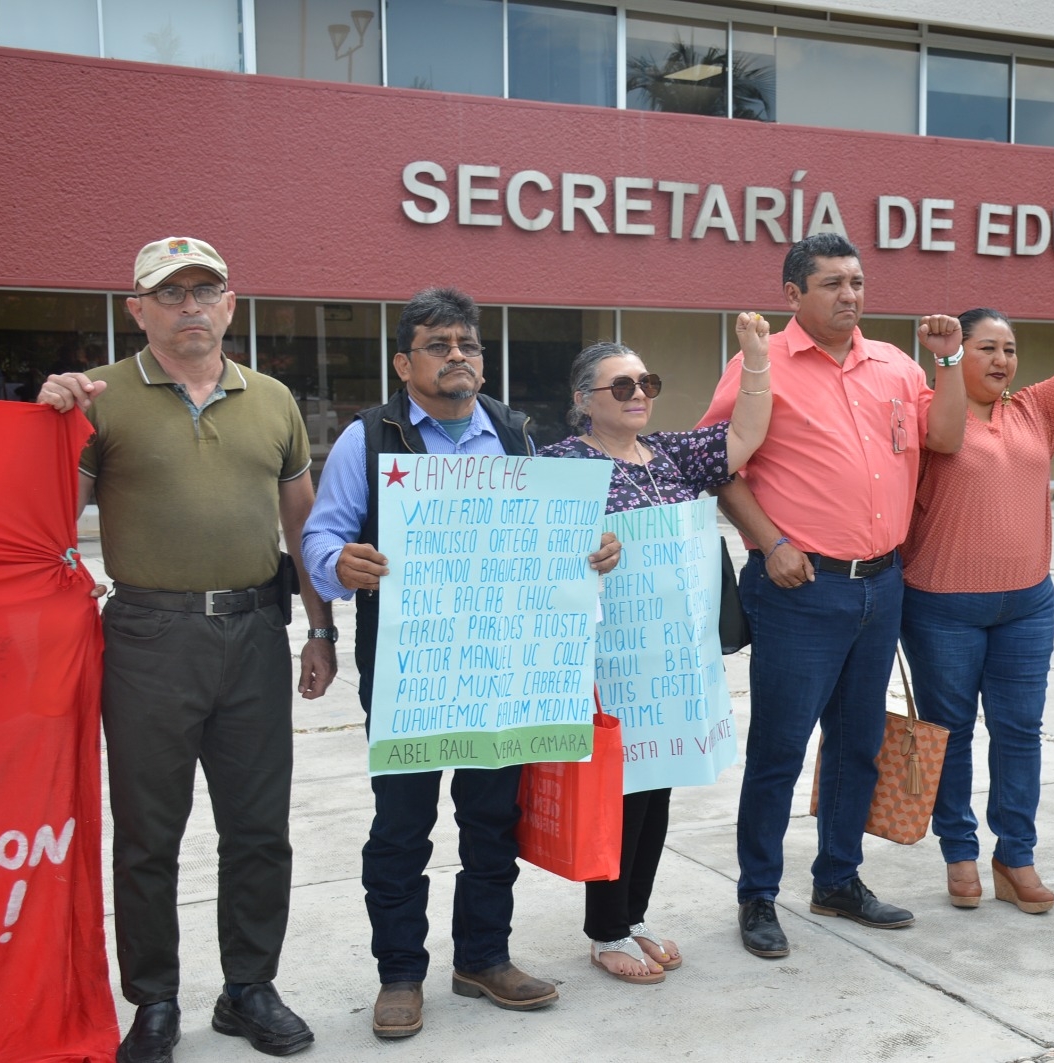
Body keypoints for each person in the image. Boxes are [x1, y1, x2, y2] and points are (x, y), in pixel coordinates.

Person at [36, 237, 336, 1062]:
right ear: (138, 309)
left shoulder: (272, 399)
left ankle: (249, 988)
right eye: (170, 294)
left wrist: (319, 627)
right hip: (147, 638)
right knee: (147, 834)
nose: (190, 306)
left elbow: (303, 527)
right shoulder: (100, 399)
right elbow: (46, 518)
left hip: (254, 634)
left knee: (258, 828)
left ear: (231, 303)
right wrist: (50, 425)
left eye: (206, 290)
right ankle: (156, 1000)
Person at [299, 287, 620, 1039]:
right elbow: (319, 539)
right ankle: (400, 974)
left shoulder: (513, 432)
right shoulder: (368, 439)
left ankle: (484, 956)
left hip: (499, 671)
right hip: (412, 676)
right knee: (402, 829)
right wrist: (340, 564)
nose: (457, 357)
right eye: (440, 345)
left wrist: (593, 548)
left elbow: (551, 532)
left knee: (490, 820)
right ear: (404, 360)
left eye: (469, 345)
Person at [698, 232, 967, 959]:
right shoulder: (761, 365)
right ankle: (758, 894)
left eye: (856, 282)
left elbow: (945, 433)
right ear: (792, 294)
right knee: (780, 748)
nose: (850, 295)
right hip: (800, 586)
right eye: (831, 284)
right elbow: (717, 464)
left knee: (859, 742)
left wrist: (948, 362)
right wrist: (770, 542)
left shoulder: (895, 364)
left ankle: (838, 878)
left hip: (881, 582)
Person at [899, 240, 1054, 913]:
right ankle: (960, 851)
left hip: (1027, 605)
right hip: (941, 607)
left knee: (1021, 730)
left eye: (1010, 348)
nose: (1003, 360)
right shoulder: (929, 415)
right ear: (956, 353)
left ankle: (1016, 854)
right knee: (952, 734)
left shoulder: (1036, 411)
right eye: (987, 348)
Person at [542, 317, 772, 982]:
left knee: (659, 785)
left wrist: (755, 358)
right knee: (617, 792)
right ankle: (605, 927)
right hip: (609, 658)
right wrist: (586, 554)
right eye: (621, 385)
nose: (638, 393)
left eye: (647, 382)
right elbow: (543, 548)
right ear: (584, 398)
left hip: (672, 661)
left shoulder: (670, 454)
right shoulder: (563, 462)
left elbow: (746, 434)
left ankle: (634, 913)